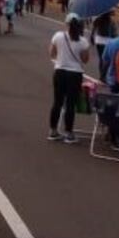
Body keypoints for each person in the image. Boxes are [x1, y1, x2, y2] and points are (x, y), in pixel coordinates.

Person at [48, 13, 91, 143]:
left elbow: (51, 53)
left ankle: (53, 131)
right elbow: (85, 60)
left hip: (60, 71)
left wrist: (59, 59)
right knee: (70, 104)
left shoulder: (58, 36)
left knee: (57, 102)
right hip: (75, 74)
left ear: (66, 24)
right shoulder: (82, 41)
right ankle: (68, 133)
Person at [91, 12, 117, 81]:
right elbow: (114, 33)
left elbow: (93, 29)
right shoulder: (111, 21)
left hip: (99, 40)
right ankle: (104, 75)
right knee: (107, 59)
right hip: (107, 41)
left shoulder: (98, 19)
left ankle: (101, 74)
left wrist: (92, 37)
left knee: (101, 58)